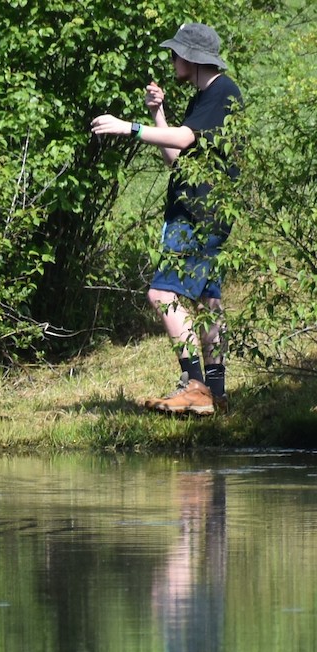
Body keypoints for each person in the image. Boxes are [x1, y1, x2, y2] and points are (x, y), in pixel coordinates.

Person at [90, 23, 243, 416]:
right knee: (209, 302)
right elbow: (179, 161)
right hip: (206, 213)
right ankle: (217, 392)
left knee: (161, 295)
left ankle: (195, 386)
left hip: (196, 216)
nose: (172, 60)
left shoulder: (222, 92)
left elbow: (183, 140)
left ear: (192, 58)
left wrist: (130, 128)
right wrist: (159, 115)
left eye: (176, 54)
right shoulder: (205, 97)